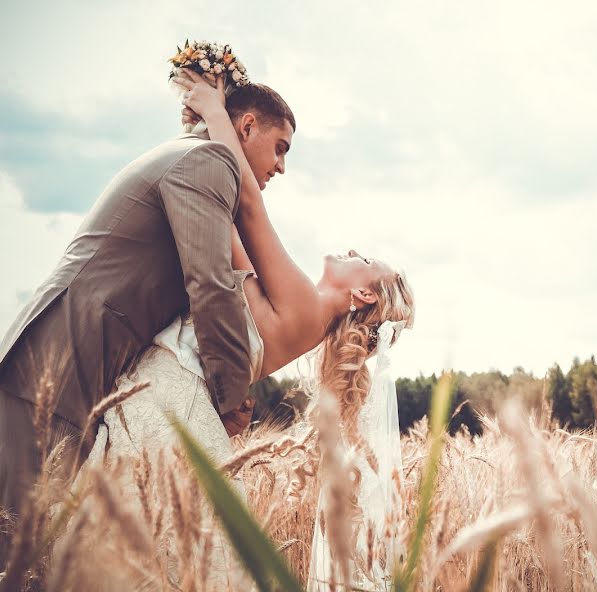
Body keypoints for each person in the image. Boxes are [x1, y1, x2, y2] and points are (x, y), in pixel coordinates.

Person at [79, 69, 414, 590]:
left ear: (364, 295)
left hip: (169, 396)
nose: (352, 250)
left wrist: (216, 112)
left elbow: (248, 210)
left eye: (364, 259)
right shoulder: (301, 309)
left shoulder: (308, 308)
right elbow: (227, 227)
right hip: (168, 394)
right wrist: (214, 130)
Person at [0, 75, 296, 519]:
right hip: (61, 363)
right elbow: (209, 284)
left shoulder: (189, 157)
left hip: (81, 366)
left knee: (52, 553)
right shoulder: (207, 161)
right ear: (246, 127)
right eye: (280, 147)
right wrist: (228, 399)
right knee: (28, 550)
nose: (281, 166)